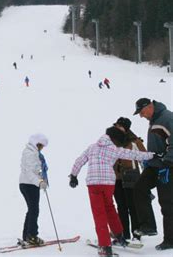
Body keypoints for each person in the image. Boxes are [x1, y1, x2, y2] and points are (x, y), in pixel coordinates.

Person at [69, 127, 155, 257]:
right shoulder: (114, 149)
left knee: (99, 214)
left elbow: (79, 161)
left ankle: (105, 246)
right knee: (110, 208)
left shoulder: (92, 147)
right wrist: (152, 155)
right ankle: (119, 235)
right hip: (108, 183)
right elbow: (132, 154)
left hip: (94, 184)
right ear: (114, 139)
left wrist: (73, 176)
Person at [132, 98, 173, 251]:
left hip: (168, 166)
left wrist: (167, 163)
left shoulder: (167, 118)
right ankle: (148, 226)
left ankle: (171, 239)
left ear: (149, 107)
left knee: (167, 203)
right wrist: (149, 159)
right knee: (139, 188)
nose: (142, 116)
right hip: (156, 164)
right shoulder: (155, 120)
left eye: (142, 112)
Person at [112, 117, 149, 240]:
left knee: (133, 206)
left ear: (126, 128)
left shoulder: (134, 141)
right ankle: (124, 234)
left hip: (132, 177)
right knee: (121, 207)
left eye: (119, 126)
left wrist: (146, 177)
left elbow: (144, 158)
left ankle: (136, 234)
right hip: (116, 179)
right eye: (116, 126)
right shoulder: (111, 141)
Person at [19, 134, 49, 246]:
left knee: (32, 209)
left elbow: (36, 170)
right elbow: (29, 171)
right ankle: (32, 236)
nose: (42, 148)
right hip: (29, 184)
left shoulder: (33, 153)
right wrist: (39, 182)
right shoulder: (30, 153)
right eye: (41, 146)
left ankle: (27, 235)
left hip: (27, 184)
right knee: (34, 210)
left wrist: (41, 177)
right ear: (37, 143)